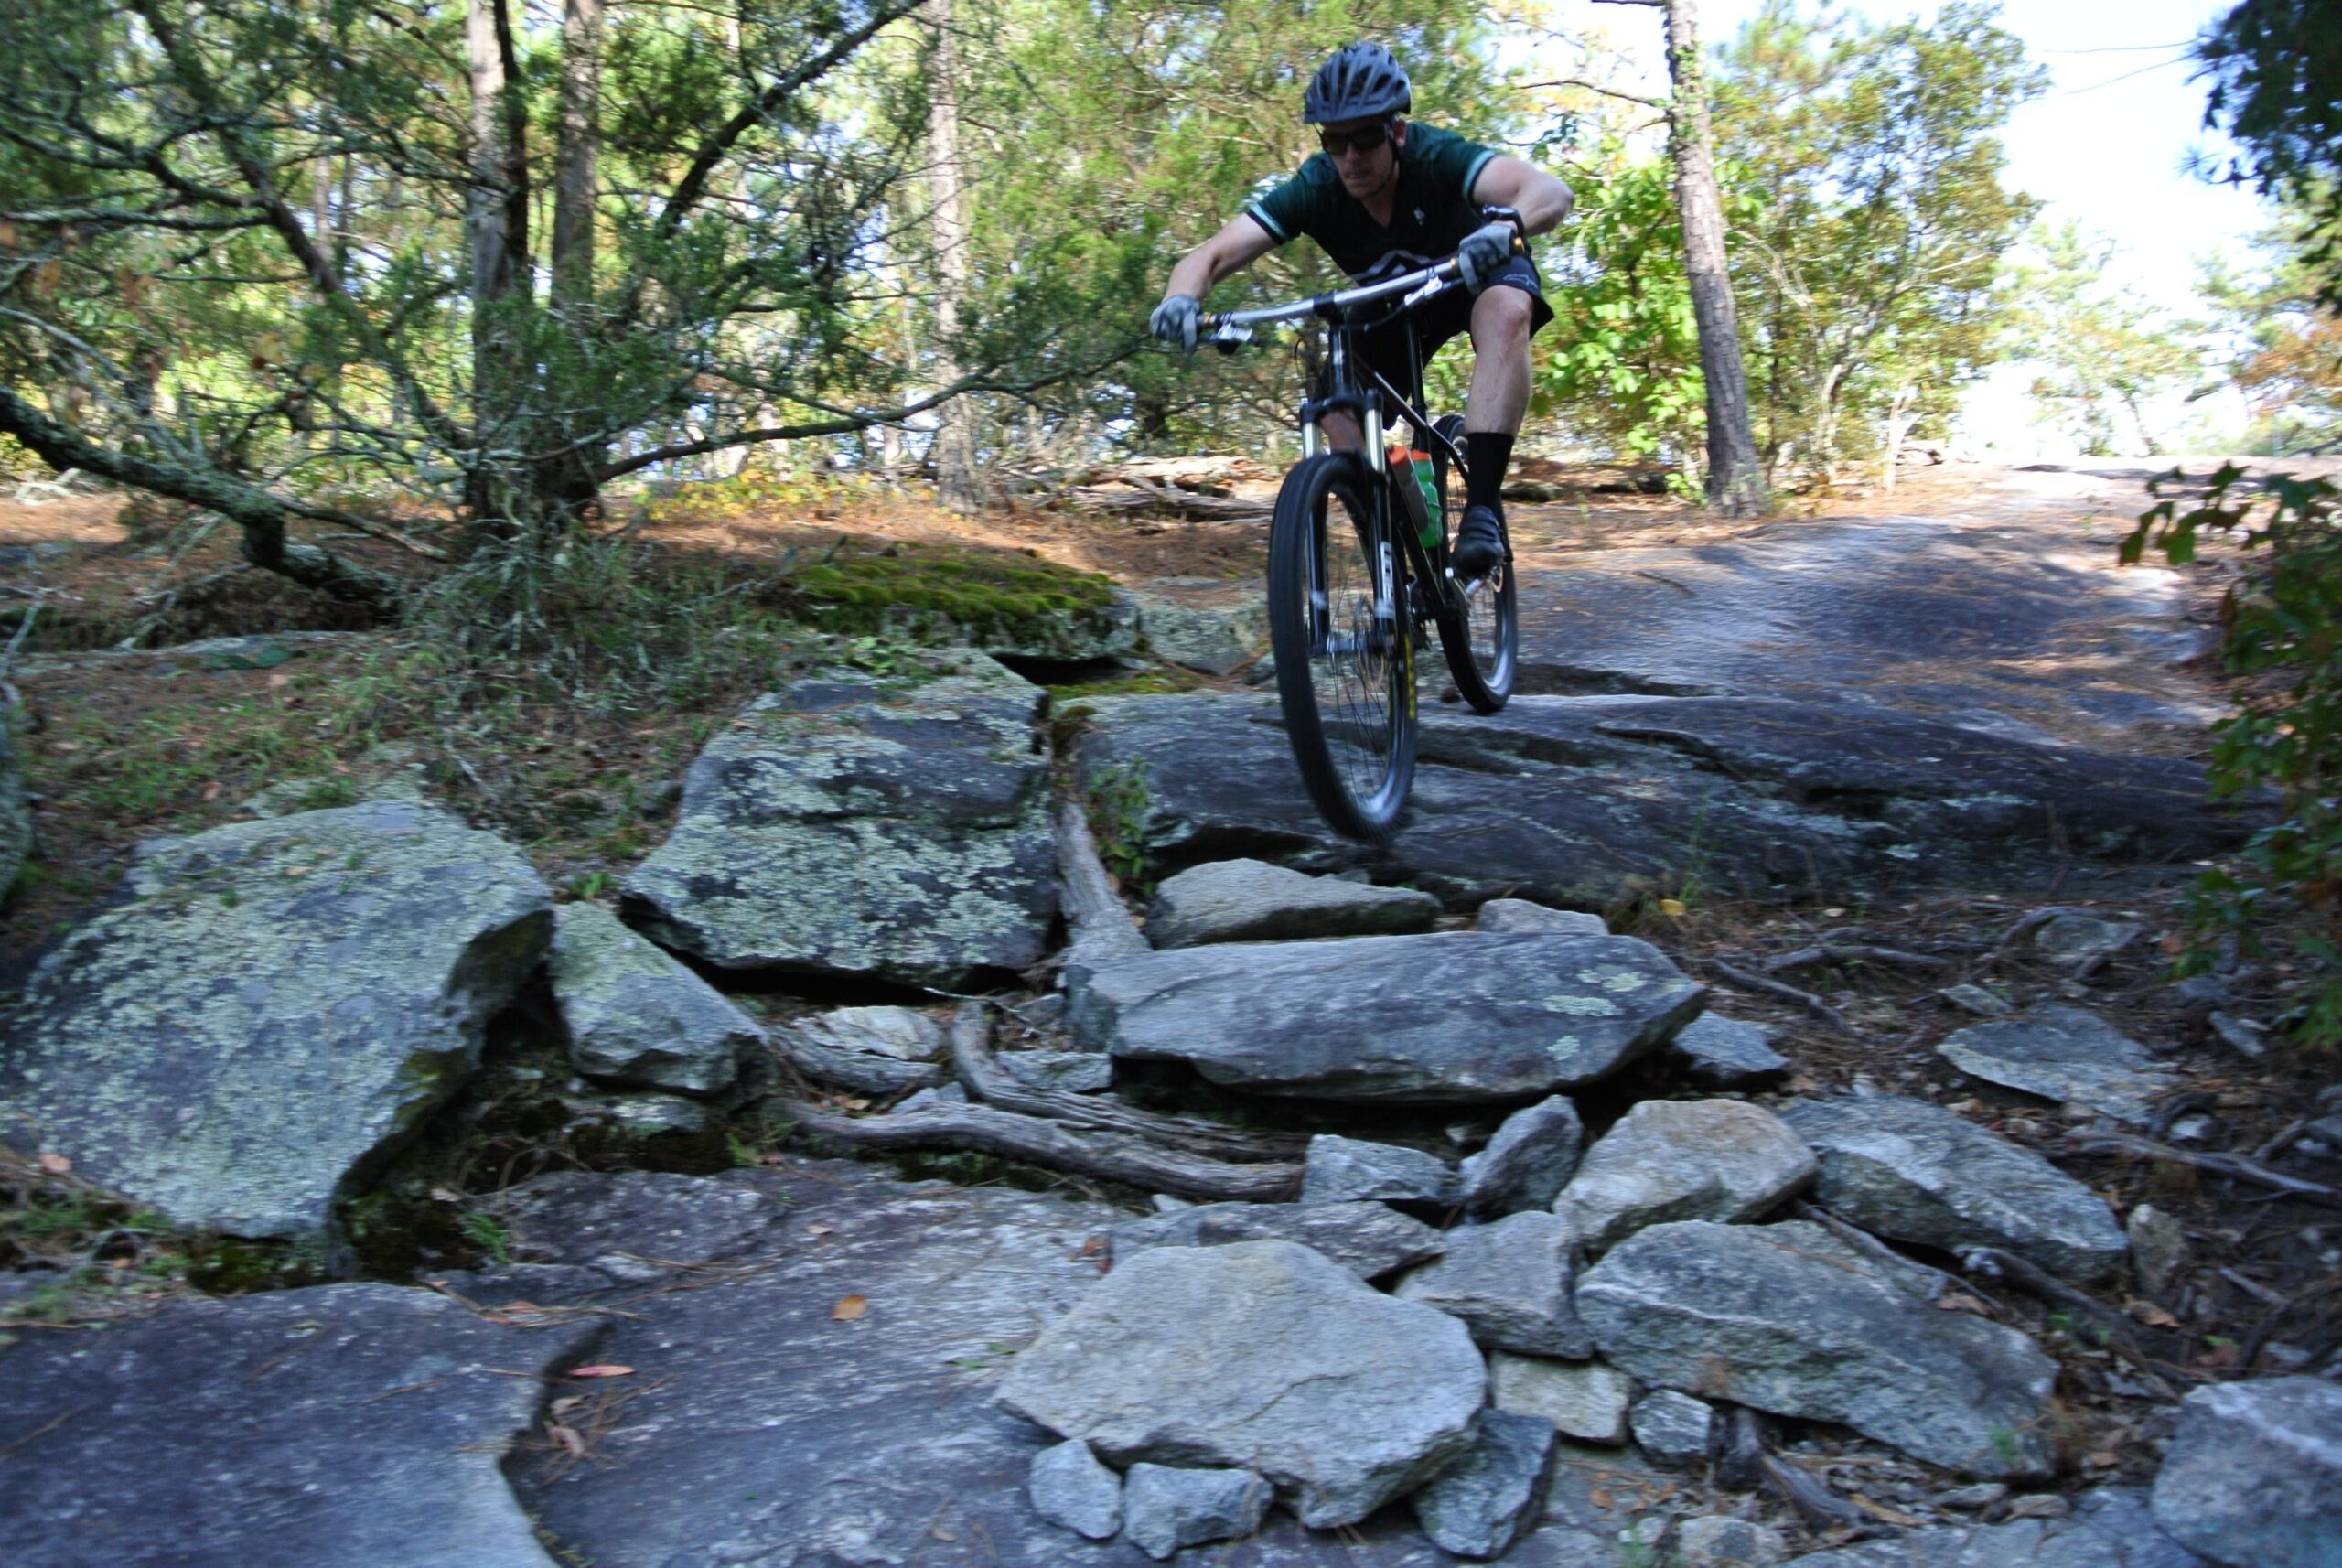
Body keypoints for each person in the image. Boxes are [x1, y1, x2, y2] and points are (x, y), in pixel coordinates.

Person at [1150, 41, 1574, 581]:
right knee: (1335, 407)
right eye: (1334, 141)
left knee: (1506, 311)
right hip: (1396, 304)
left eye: (1366, 138)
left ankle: (1483, 509)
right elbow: (1206, 258)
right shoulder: (1317, 187)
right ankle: (1398, 548)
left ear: (1395, 132)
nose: (1350, 157)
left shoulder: (1435, 157)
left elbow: (1547, 191)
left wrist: (1504, 226)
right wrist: (1179, 299)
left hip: (1476, 272)